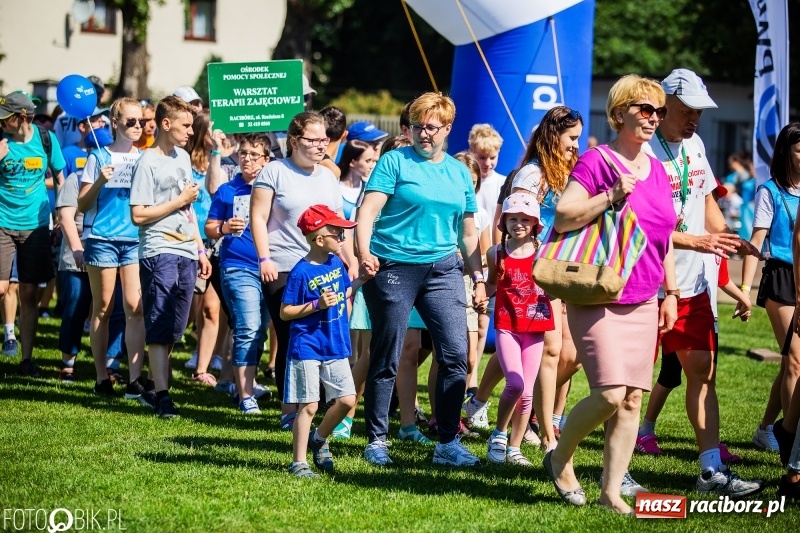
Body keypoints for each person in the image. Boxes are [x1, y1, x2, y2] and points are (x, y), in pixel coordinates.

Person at [544, 74, 678, 514]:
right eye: (644, 109)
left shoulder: (658, 170)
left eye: (658, 111)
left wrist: (670, 291)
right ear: (620, 113)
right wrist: (610, 195)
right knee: (609, 393)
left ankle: (610, 491)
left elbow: (664, 238)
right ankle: (559, 456)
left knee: (633, 397)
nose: (653, 118)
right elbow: (563, 216)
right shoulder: (599, 161)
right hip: (597, 292)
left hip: (643, 297)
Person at [640, 68, 763, 497]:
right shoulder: (642, 151)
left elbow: (706, 200)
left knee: (702, 372)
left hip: (691, 285)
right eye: (687, 110)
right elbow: (641, 223)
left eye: (699, 112)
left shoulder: (695, 145)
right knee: (623, 383)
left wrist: (726, 239)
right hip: (642, 286)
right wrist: (696, 239)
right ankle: (549, 430)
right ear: (662, 105)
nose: (694, 119)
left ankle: (710, 470)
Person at [356, 92, 487, 467]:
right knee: (388, 353)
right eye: (416, 126)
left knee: (455, 354)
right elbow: (368, 211)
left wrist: (477, 276)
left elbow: (467, 232)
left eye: (430, 127)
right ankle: (377, 440)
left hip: (444, 269)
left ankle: (446, 442)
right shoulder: (394, 161)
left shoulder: (459, 172)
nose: (423, 134)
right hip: (393, 266)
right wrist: (364, 252)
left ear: (447, 128)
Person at [466, 106, 583, 454]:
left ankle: (487, 401)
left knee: (564, 353)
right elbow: (514, 226)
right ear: (553, 136)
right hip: (532, 273)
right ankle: (540, 426)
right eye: (571, 138)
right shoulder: (531, 176)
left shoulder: (564, 170)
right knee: (546, 348)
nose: (576, 145)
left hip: (556, 269)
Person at [250, 111, 357, 430]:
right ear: (294, 140)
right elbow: (258, 217)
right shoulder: (274, 171)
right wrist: (264, 258)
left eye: (325, 139)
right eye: (313, 139)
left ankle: (314, 405)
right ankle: (290, 410)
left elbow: (339, 224)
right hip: (282, 266)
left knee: (322, 334)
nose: (321, 145)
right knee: (291, 335)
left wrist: (348, 258)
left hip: (325, 266)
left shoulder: (327, 175)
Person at [129, 95, 211, 418]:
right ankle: (163, 395)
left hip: (186, 249)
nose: (191, 131)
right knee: (161, 323)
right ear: (166, 124)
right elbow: (138, 215)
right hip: (158, 248)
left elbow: (188, 209)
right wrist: (178, 201)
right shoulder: (147, 162)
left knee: (178, 323)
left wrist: (200, 248)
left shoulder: (182, 158)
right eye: (185, 125)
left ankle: (153, 383)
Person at [281, 205, 371, 477]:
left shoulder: (335, 262)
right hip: (307, 346)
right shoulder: (300, 272)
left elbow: (343, 292)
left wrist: (361, 281)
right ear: (320, 240)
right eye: (337, 233)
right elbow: (285, 312)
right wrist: (315, 305)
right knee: (308, 405)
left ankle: (319, 438)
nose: (343, 238)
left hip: (335, 344)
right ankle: (299, 462)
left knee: (347, 400)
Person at [78, 97, 147, 397]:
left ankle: (134, 379)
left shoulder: (145, 157)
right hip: (102, 239)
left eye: (141, 121)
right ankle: (101, 377)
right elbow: (81, 203)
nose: (137, 127)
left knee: (135, 307)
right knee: (103, 308)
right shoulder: (98, 157)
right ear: (115, 123)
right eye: (131, 121)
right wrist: (98, 182)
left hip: (134, 240)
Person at [741, 123, 800, 453]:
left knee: (791, 363)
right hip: (780, 277)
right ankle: (793, 443)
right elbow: (756, 242)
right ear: (786, 152)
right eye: (799, 149)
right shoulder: (770, 191)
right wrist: (745, 289)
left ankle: (767, 429)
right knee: (794, 360)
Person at [205, 133, 273, 413]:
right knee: (247, 326)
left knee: (260, 331)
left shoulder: (273, 188)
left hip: (270, 267)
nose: (246, 159)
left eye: (254, 154)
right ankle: (246, 396)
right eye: (243, 153)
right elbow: (209, 227)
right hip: (236, 265)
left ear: (266, 160)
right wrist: (223, 229)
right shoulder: (227, 190)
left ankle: (244, 381)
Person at [0, 91, 66, 376]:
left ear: (22, 118)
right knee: (1, 288)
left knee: (29, 293)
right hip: (2, 222)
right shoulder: (0, 142)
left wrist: (63, 215)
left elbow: (61, 177)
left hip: (36, 225)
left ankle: (26, 360)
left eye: (6, 119)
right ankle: (8, 335)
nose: (1, 123)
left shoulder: (45, 140)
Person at [484, 193, 553, 466]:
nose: (519, 224)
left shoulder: (544, 254)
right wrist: (479, 293)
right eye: (513, 219)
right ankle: (498, 436)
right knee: (515, 382)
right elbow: (491, 284)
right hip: (507, 327)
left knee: (527, 393)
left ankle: (514, 447)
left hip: (535, 329)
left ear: (535, 223)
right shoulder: (496, 253)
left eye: (525, 219)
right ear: (504, 222)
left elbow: (557, 286)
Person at [182, 112, 224, 385]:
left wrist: (219, 153)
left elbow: (216, 188)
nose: (217, 134)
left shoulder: (223, 158)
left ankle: (202, 367)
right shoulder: (183, 160)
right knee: (185, 308)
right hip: (186, 238)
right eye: (212, 130)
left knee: (211, 307)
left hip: (212, 240)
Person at [338, 140, 376, 220]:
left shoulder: (369, 188)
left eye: (373, 161)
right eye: (368, 161)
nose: (372, 166)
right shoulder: (334, 187)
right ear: (352, 162)